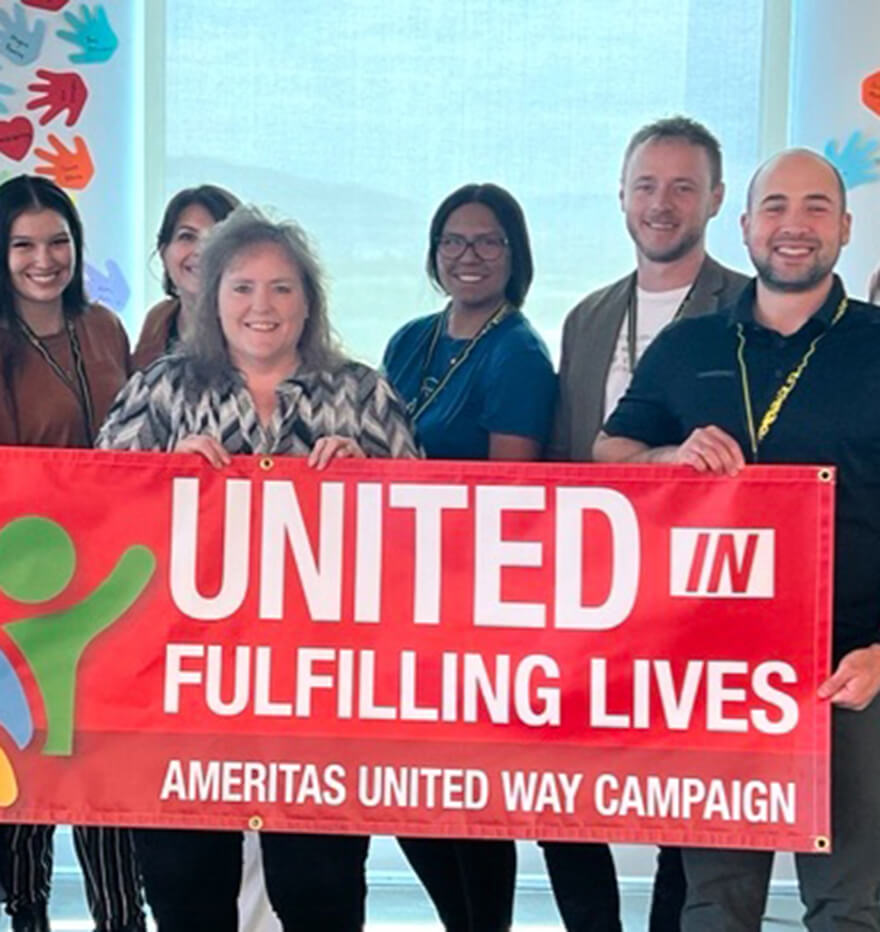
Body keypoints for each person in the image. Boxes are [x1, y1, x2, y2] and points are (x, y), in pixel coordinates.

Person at [97, 205, 419, 931]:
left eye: (281, 288)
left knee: (322, 889)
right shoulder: (161, 390)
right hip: (181, 691)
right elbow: (98, 521)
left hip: (320, 695)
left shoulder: (362, 394)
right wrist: (155, 478)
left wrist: (373, 483)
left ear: (309, 301)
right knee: (185, 887)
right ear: (211, 298)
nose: (261, 307)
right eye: (242, 287)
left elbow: (425, 540)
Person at [594, 148, 880, 931]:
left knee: (849, 906)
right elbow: (610, 454)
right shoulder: (691, 345)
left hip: (851, 667)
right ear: (745, 224)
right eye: (777, 207)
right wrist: (667, 455)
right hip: (717, 670)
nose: (795, 226)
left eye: (817, 207)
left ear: (847, 228)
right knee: (715, 903)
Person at [544, 115, 748, 932]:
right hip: (597, 589)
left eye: (682, 187)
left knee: (687, 799)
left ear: (716, 200)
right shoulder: (589, 316)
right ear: (622, 197)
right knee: (557, 788)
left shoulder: (751, 308)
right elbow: (570, 455)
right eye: (646, 186)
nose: (661, 204)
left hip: (702, 594)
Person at [382, 183, 556, 931]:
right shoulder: (409, 338)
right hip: (396, 594)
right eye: (454, 241)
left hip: (470, 599)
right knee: (404, 788)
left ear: (514, 255)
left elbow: (504, 493)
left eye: (488, 242)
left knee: (465, 790)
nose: (469, 256)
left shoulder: (519, 353)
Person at [0, 175, 145, 932]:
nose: (44, 259)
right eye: (23, 244)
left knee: (105, 764)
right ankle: (26, 912)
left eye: (57, 241)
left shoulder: (106, 331)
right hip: (21, 599)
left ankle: (121, 916)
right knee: (29, 763)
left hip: (108, 590)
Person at [132, 183, 239, 369]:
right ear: (164, 252)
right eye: (187, 237)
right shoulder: (157, 321)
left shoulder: (256, 325)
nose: (201, 251)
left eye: (216, 238)